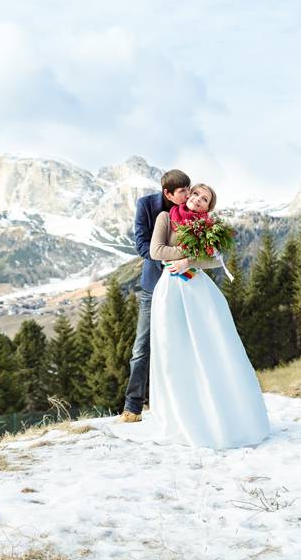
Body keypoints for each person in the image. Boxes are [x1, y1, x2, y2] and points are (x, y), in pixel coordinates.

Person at [110, 183, 271, 449]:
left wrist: (189, 262)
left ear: (209, 206)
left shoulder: (209, 226)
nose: (197, 200)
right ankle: (179, 414)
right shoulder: (166, 217)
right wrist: (191, 255)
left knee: (209, 347)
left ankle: (217, 414)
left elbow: (215, 259)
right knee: (174, 348)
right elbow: (156, 251)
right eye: (195, 194)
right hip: (170, 288)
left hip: (198, 290)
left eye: (204, 199)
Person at [117, 170, 191, 422]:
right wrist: (175, 256)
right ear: (167, 193)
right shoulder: (147, 206)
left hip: (186, 284)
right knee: (142, 346)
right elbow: (142, 246)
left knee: (185, 342)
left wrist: (188, 260)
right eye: (182, 191)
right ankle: (133, 407)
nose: (188, 195)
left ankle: (184, 403)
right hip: (154, 285)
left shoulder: (195, 209)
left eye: (188, 189)